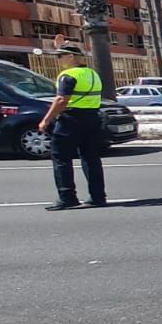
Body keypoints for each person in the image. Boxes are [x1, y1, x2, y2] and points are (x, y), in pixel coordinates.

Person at [38, 37, 107, 210]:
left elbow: (61, 99)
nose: (58, 60)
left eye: (60, 56)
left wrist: (46, 120)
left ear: (70, 57)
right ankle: (98, 196)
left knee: (61, 158)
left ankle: (67, 196)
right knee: (91, 158)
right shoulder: (92, 73)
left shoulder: (68, 75)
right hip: (92, 119)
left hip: (71, 120)